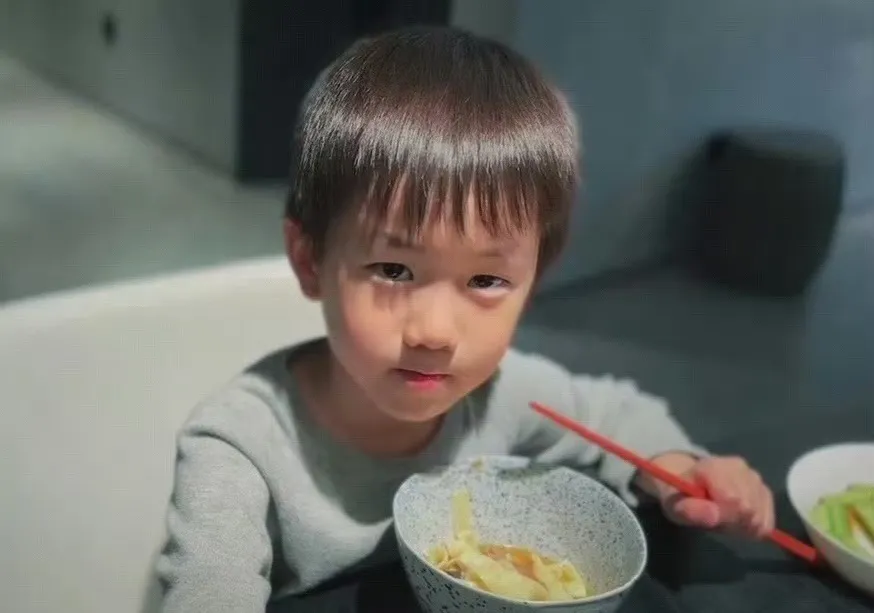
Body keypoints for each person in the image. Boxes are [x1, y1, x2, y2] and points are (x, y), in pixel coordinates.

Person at [156, 26, 775, 612]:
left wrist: (682, 470)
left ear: (533, 281)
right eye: (393, 269)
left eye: (485, 281)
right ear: (310, 260)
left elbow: (617, 412)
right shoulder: (239, 447)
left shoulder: (500, 394)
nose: (435, 332)